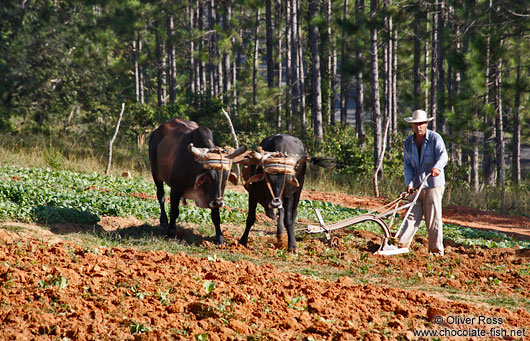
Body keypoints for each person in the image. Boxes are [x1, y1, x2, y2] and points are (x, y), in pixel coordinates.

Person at [398, 109, 448, 256]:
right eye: (415, 124)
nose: (418, 127)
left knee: (433, 219)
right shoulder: (408, 142)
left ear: (426, 123)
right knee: (411, 216)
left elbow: (443, 156)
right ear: (412, 126)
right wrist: (409, 183)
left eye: (421, 123)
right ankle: (401, 247)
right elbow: (407, 165)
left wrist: (437, 168)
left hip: (433, 185)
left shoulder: (435, 138)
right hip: (417, 185)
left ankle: (436, 251)